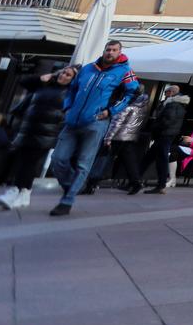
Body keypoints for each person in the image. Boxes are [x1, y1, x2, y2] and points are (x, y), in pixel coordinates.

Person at [49, 40, 140, 217]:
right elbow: (72, 89)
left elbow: (133, 93)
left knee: (84, 163)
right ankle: (72, 185)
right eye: (108, 49)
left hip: (96, 122)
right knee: (58, 159)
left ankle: (67, 200)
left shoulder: (125, 72)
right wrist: (67, 108)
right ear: (104, 50)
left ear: (120, 52)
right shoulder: (88, 68)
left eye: (114, 50)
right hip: (72, 120)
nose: (110, 53)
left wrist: (111, 111)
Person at [0, 66, 75, 212]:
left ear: (73, 80)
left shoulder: (71, 93)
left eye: (68, 75)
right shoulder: (44, 85)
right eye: (63, 72)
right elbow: (24, 82)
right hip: (28, 129)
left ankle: (16, 191)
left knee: (29, 162)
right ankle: (24, 193)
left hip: (47, 134)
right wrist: (40, 78)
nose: (63, 75)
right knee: (23, 160)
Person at [87, 89, 150, 195]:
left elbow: (116, 123)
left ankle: (91, 183)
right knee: (129, 161)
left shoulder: (126, 105)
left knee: (103, 159)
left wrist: (108, 138)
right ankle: (136, 182)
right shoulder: (142, 105)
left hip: (118, 136)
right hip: (129, 136)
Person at [146, 85, 189, 194]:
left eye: (166, 92)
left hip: (164, 134)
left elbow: (167, 120)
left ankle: (160, 184)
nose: (165, 94)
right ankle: (136, 180)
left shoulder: (172, 104)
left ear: (171, 92)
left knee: (162, 158)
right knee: (151, 157)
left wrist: (156, 128)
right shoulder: (176, 104)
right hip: (166, 135)